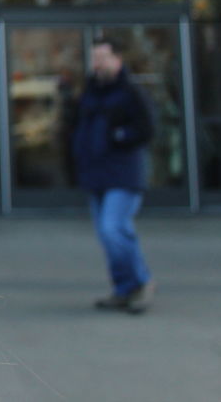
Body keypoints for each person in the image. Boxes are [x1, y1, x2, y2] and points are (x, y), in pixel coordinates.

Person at [72, 37, 156, 314]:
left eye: (102, 57)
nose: (97, 63)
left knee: (114, 228)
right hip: (95, 175)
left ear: (117, 59)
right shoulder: (90, 92)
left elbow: (147, 129)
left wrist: (118, 137)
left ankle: (141, 283)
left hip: (124, 175)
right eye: (94, 57)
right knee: (109, 234)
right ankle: (123, 289)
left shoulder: (131, 92)